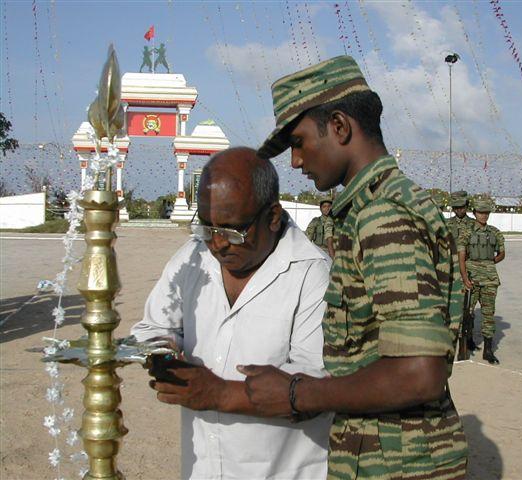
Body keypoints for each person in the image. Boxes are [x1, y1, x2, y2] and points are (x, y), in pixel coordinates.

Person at [243, 55, 468, 479]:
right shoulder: (376, 205)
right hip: (385, 451)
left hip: (399, 460)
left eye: (298, 141)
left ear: (340, 127)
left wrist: (297, 394)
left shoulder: (382, 215)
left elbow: (420, 373)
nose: (294, 161)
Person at [131, 147, 332, 479]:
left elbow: (319, 388)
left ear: (273, 217)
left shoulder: (312, 274)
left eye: (233, 230)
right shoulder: (191, 259)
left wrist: (220, 393)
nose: (217, 243)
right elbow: (152, 327)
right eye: (207, 227)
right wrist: (163, 353)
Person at [458, 197, 505, 364]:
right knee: (467, 313)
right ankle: (468, 341)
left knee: (488, 314)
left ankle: (488, 350)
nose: (484, 216)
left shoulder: (495, 232)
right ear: (474, 213)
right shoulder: (466, 232)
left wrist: (490, 263)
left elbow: (501, 253)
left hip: (490, 279)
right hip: (471, 277)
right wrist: (464, 277)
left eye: (487, 213)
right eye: (481, 212)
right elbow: (461, 257)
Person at [447, 190, 480, 352]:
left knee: (469, 308)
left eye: (462, 207)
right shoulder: (447, 224)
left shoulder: (474, 224)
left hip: (470, 269)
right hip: (450, 271)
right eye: (456, 208)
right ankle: (451, 338)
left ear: (466, 206)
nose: (459, 210)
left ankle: (469, 338)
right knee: (452, 307)